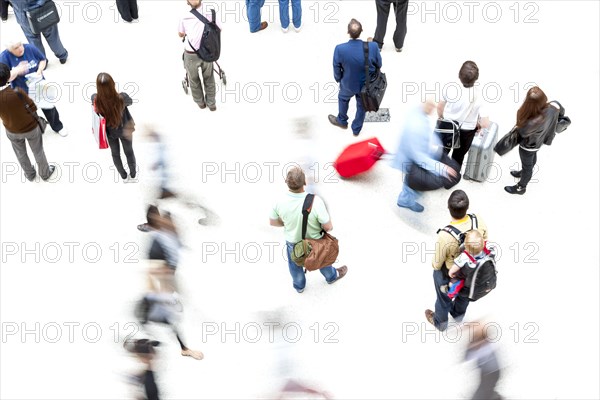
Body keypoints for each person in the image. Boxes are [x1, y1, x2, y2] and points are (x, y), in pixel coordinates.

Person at [269, 166, 347, 293]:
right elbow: (329, 227)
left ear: (286, 181)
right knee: (323, 259)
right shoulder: (316, 201)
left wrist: (288, 223)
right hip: (316, 241)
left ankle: (299, 286)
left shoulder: (278, 201)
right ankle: (331, 276)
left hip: (293, 242)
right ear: (304, 182)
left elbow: (273, 222)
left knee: (294, 265)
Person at [425, 190, 488, 331]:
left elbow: (436, 264)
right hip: (473, 270)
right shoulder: (477, 219)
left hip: (451, 272)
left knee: (442, 294)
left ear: (449, 208)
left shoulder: (445, 235)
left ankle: (440, 323)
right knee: (465, 294)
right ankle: (458, 314)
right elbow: (486, 239)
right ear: (467, 207)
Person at [392, 100, 457, 212]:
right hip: (411, 160)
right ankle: (405, 200)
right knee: (414, 181)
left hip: (411, 154)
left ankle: (408, 195)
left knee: (412, 179)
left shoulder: (417, 112)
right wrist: (442, 168)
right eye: (432, 106)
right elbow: (419, 157)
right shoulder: (416, 128)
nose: (434, 108)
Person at [0, 62, 55, 181]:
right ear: (8, 75)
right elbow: (33, 107)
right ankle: (45, 173)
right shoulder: (17, 92)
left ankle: (30, 174)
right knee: (38, 151)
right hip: (30, 128)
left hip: (11, 130)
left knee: (20, 154)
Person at [0, 40, 68, 136]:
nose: (20, 48)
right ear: (9, 50)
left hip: (38, 85)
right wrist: (17, 71)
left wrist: (40, 70)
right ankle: (38, 128)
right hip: (21, 91)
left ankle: (58, 126)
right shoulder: (4, 57)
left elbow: (42, 60)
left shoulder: (29, 48)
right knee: (29, 113)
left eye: (20, 45)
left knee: (49, 107)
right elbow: (5, 79)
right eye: (16, 48)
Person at [328, 19, 382, 136]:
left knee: (343, 99)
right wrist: (372, 45)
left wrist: (339, 79)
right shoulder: (372, 46)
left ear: (348, 32)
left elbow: (336, 67)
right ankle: (356, 129)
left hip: (347, 84)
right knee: (362, 106)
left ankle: (342, 120)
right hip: (366, 86)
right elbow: (379, 64)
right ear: (361, 31)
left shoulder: (340, 49)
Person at [504, 86, 559, 195]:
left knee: (527, 166)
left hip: (528, 146)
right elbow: (561, 112)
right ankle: (523, 172)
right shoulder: (554, 107)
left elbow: (522, 133)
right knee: (531, 159)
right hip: (540, 141)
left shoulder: (531, 121)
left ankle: (521, 187)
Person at [437, 61, 490, 171]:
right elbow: (485, 123)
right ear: (476, 78)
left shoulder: (450, 88)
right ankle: (450, 180)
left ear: (459, 75)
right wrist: (478, 125)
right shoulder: (479, 96)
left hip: (448, 125)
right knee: (458, 156)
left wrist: (442, 117)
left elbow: (440, 107)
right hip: (466, 131)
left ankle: (438, 172)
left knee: (442, 151)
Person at [92, 72, 137, 182]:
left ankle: (123, 176)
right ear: (112, 84)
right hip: (126, 130)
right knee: (129, 152)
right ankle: (133, 174)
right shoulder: (122, 97)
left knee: (115, 154)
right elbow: (130, 102)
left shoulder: (95, 99)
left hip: (110, 133)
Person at [178, 0, 221, 111]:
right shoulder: (211, 13)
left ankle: (200, 102)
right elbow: (219, 29)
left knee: (193, 79)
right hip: (207, 52)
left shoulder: (184, 15)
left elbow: (180, 34)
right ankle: (211, 104)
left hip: (190, 53)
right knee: (209, 77)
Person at [442, 230, 496, 299]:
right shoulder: (489, 247)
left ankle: (451, 292)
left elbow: (454, 268)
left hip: (468, 277)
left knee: (455, 280)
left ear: (466, 247)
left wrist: (450, 273)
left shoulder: (464, 256)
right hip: (484, 276)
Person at [464, 322, 504, 400]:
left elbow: (471, 354)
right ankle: (495, 396)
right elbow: (467, 357)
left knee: (480, 396)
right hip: (485, 374)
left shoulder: (487, 347)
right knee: (485, 393)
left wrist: (472, 345)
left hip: (492, 374)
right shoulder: (479, 346)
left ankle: (495, 397)